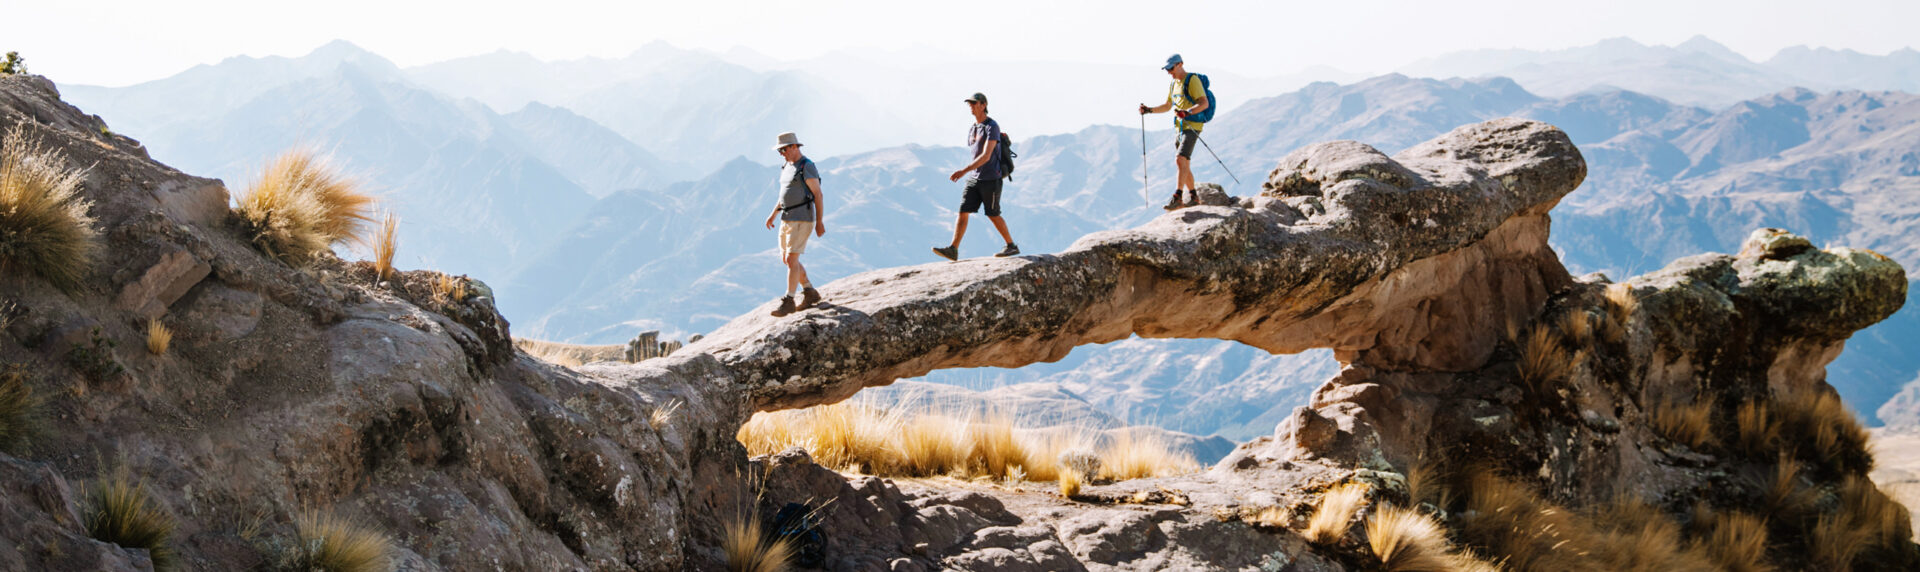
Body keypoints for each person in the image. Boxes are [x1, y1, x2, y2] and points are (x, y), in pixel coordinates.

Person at [933, 92, 1019, 261]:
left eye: (974, 103)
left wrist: (963, 171)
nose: (971, 106)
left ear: (983, 105)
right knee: (963, 211)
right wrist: (969, 172)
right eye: (970, 104)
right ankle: (953, 249)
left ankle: (1011, 246)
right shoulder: (974, 128)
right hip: (975, 178)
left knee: (993, 213)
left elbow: (986, 156)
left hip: (991, 179)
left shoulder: (991, 126)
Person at [763, 132, 825, 317]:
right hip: (787, 218)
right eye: (779, 150)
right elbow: (784, 194)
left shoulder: (807, 166)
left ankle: (789, 300)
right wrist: (773, 214)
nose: (781, 153)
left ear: (794, 147)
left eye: (783, 149)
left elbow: (818, 194)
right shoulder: (787, 166)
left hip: (802, 217)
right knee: (788, 260)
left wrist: (819, 222)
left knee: (791, 260)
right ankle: (809, 292)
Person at [1139, 53, 1211, 210]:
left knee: (1180, 159)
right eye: (1167, 69)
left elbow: (1204, 103)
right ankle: (1194, 197)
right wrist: (1149, 110)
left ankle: (1177, 197)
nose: (1169, 72)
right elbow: (1167, 106)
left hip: (1192, 126)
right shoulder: (1173, 85)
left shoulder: (1192, 80)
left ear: (1180, 64)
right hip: (1179, 127)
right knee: (1184, 163)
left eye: (1171, 68)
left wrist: (1187, 112)